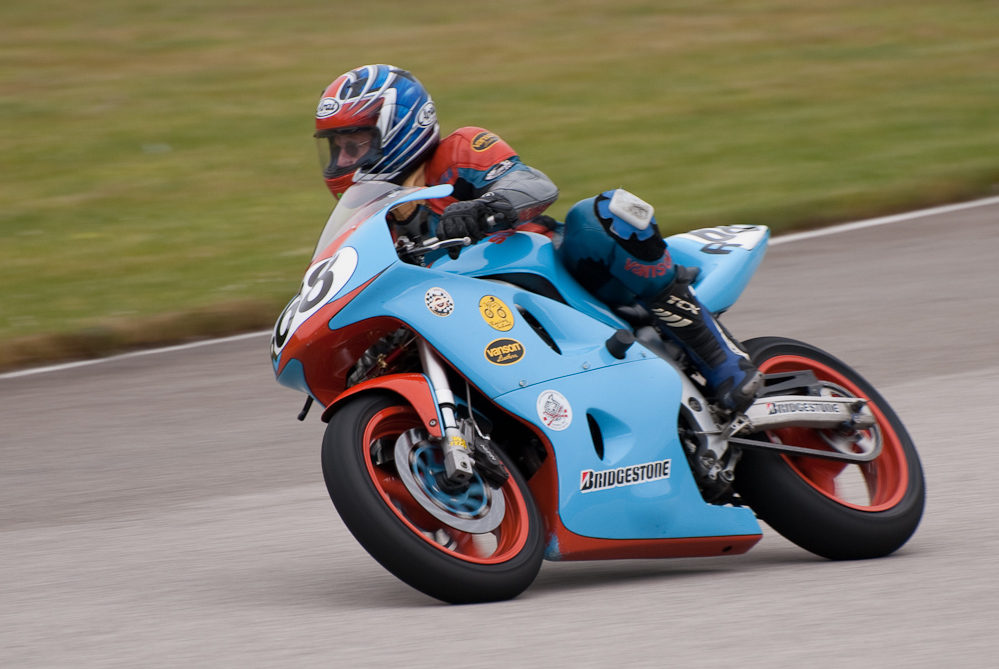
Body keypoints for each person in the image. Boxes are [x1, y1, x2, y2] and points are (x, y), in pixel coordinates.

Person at [313, 64, 761, 413]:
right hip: (485, 327)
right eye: (337, 148)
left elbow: (533, 183)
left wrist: (484, 207)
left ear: (401, 128)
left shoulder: (460, 150)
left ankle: (718, 355)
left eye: (356, 143)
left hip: (562, 281)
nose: (344, 158)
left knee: (601, 215)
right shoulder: (375, 220)